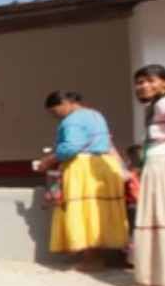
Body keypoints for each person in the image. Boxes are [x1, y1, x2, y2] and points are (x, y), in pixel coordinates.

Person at [35, 90, 128, 271]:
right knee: (100, 210)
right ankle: (102, 255)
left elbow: (71, 146)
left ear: (64, 103)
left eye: (55, 112)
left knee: (84, 210)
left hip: (83, 167)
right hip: (104, 165)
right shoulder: (96, 115)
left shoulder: (72, 120)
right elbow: (107, 141)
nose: (56, 117)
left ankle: (90, 259)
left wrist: (48, 160)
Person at [132, 65, 165, 286]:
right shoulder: (154, 107)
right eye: (140, 82)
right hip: (155, 161)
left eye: (151, 81)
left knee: (158, 214)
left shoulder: (162, 104)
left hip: (161, 162)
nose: (144, 86)